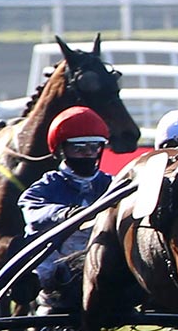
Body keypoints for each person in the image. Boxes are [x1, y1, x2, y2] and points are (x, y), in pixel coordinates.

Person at [19, 105, 115, 313]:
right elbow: (31, 210)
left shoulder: (112, 184)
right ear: (62, 150)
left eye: (93, 147)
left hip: (99, 258)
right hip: (57, 262)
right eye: (79, 148)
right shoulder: (49, 184)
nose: (88, 154)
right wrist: (64, 214)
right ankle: (41, 298)